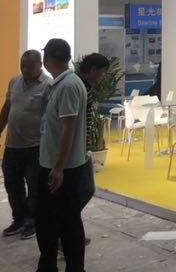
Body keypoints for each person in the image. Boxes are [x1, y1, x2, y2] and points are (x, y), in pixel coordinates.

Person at [35, 38, 88, 272]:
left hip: (62, 168)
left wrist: (58, 167)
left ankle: (75, 268)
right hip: (53, 163)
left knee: (67, 223)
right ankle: (47, 265)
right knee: (48, 220)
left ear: (47, 59)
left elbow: (68, 128)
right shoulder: (62, 84)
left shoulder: (68, 86)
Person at [0, 49, 50, 240]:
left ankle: (33, 222)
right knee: (12, 186)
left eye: (29, 66)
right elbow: (7, 108)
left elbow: (51, 118)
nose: (25, 69)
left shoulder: (48, 85)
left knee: (34, 188)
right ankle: (19, 219)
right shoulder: (14, 81)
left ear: (40, 65)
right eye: (22, 65)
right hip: (12, 146)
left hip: (35, 147)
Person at [76, 53, 109, 213]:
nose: (103, 77)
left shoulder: (85, 87)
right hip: (77, 149)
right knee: (86, 188)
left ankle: (67, 220)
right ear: (93, 70)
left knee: (85, 189)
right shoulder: (79, 87)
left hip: (82, 147)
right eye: (102, 72)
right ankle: (66, 221)